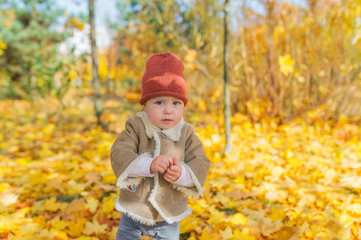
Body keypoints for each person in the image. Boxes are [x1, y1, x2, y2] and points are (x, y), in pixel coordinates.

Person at [110, 52, 210, 240]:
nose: (168, 110)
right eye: (159, 102)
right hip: (135, 207)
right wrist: (147, 165)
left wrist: (183, 174)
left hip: (168, 212)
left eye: (176, 103)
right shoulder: (136, 126)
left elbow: (201, 162)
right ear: (145, 105)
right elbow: (119, 151)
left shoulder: (186, 133)